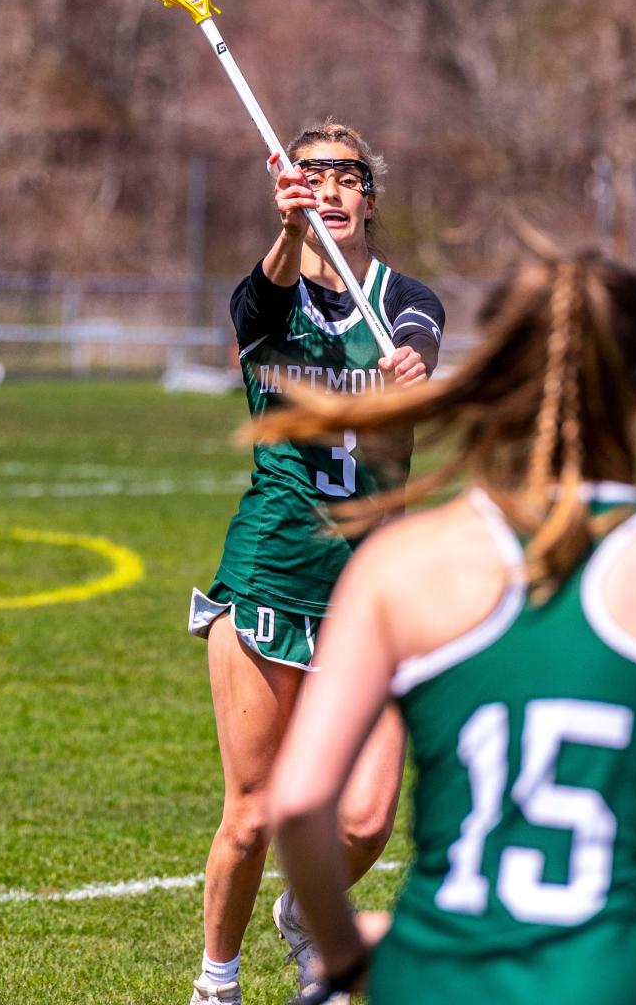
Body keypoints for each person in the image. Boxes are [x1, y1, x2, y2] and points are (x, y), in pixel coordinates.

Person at [267, 251, 636, 1005]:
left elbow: (301, 804)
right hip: (626, 980)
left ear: (496, 382)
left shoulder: (402, 562)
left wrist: (343, 954)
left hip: (439, 975)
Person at [186, 119, 445, 1005]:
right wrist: (290, 233)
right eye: (312, 175)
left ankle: (304, 912)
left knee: (367, 816)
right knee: (254, 814)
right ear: (289, 190)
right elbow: (262, 305)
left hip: (372, 592)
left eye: (346, 176)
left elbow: (419, 339)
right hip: (272, 577)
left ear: (370, 197)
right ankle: (217, 982)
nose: (330, 186)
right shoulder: (267, 297)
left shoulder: (405, 299)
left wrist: (413, 367)